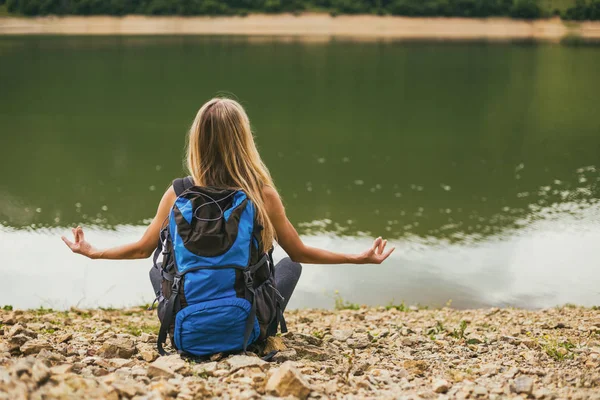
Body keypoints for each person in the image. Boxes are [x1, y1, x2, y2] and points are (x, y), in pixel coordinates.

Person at [61, 97, 395, 351]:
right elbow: (300, 252)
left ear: (197, 140)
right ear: (243, 140)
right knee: (289, 265)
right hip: (245, 327)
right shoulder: (260, 194)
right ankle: (263, 330)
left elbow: (141, 250)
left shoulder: (179, 193)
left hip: (183, 328)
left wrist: (93, 252)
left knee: (156, 269)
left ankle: (190, 320)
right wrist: (358, 257)